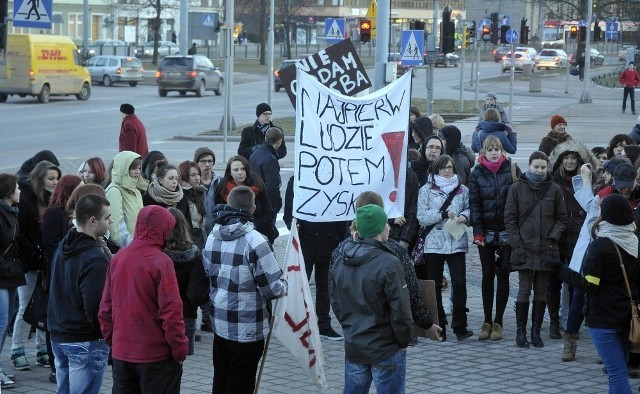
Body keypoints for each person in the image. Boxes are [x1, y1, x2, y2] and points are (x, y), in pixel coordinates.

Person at [548, 194, 639, 394]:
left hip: (603, 319)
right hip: (627, 318)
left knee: (616, 374)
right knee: (618, 373)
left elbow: (589, 285)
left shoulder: (600, 246)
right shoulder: (634, 242)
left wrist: (561, 270)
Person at [202, 186, 287, 393]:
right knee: (242, 383)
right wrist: (285, 284)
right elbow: (272, 288)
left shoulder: (213, 236)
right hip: (248, 327)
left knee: (220, 379)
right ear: (254, 208)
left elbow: (207, 275)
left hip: (220, 322)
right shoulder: (256, 241)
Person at [99, 205, 187, 393]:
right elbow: (171, 313)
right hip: (156, 357)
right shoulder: (161, 262)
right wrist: (179, 348)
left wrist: (113, 342)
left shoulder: (118, 258)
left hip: (122, 353)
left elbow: (105, 308)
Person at [329, 204, 414, 393]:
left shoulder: (340, 258)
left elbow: (336, 301)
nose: (389, 227)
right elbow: (400, 309)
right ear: (378, 229)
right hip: (385, 347)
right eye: (386, 224)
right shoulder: (389, 262)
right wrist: (403, 340)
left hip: (355, 344)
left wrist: (350, 328)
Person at [560, 162, 636, 362]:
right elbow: (593, 224)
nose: (625, 190)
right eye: (622, 185)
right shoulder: (602, 196)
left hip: (630, 251)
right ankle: (570, 338)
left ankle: (614, 346)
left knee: (622, 297)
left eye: (629, 185)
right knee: (580, 294)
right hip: (601, 250)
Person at [48, 194, 112, 394]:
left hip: (59, 334)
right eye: (107, 217)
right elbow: (95, 307)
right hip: (85, 339)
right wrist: (106, 334)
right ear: (93, 221)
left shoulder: (64, 245)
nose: (110, 222)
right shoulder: (95, 259)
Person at [504, 151, 567, 349]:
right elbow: (510, 219)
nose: (539, 171)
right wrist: (517, 244)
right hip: (524, 246)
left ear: (547, 167)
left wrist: (553, 237)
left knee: (541, 290)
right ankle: (521, 331)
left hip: (546, 247)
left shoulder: (554, 189)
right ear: (529, 165)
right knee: (524, 289)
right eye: (536, 167)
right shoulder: (516, 188)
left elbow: (561, 218)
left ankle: (536, 331)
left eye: (543, 167)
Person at [468, 136, 521, 341]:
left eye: (497, 148)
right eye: (489, 149)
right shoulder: (476, 173)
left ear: (502, 150)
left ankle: (498, 321)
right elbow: (475, 204)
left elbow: (521, 197)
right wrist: (478, 232)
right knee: (487, 274)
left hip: (507, 231)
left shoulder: (512, 169)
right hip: (486, 233)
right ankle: (487, 320)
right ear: (483, 152)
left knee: (504, 274)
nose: (493, 152)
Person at [417, 155, 473, 341]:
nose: (447, 171)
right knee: (435, 285)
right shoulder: (426, 189)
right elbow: (422, 216)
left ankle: (460, 325)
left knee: (460, 283)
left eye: (450, 167)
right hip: (434, 243)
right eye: (443, 168)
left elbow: (469, 208)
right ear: (436, 170)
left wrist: (465, 215)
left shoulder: (463, 189)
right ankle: (438, 325)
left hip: (456, 241)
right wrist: (441, 214)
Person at [283, 176, 346, 340]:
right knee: (300, 285)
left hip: (328, 240)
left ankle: (323, 324)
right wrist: (293, 224)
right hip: (306, 241)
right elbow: (289, 211)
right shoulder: (297, 180)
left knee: (324, 286)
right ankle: (298, 324)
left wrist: (340, 237)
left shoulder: (334, 180)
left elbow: (341, 210)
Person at [12, 160, 60, 371]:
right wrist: (34, 251)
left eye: (57, 179)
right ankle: (17, 350)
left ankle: (42, 349)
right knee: (26, 306)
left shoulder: (51, 200)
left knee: (44, 306)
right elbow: (19, 233)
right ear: (39, 178)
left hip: (46, 263)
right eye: (51, 178)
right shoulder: (26, 199)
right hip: (29, 263)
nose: (55, 182)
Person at [546, 141, 596, 340]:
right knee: (553, 281)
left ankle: (573, 322)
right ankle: (554, 322)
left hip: (578, 237)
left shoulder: (585, 182)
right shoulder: (551, 182)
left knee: (576, 281)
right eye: (566, 158)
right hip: (557, 236)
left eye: (573, 158)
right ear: (560, 160)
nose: (569, 161)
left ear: (579, 161)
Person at [164, 208, 208, 356]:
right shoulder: (193, 256)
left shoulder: (156, 254)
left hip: (158, 317)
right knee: (178, 363)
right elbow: (196, 295)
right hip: (186, 316)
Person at [0, 174, 26, 388]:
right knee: (0, 324)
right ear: (9, 192)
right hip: (2, 275)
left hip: (10, 275)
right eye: (17, 188)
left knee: (5, 321)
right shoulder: (2, 213)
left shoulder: (12, 211)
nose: (20, 191)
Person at [214, 156, 277, 244]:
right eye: (236, 170)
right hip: (232, 236)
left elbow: (269, 213)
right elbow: (219, 215)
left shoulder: (258, 185)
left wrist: (252, 227)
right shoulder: (223, 189)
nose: (240, 173)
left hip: (258, 234)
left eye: (243, 169)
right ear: (230, 172)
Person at [105, 151, 144, 249]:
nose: (137, 172)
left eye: (139, 168)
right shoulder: (114, 191)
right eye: (133, 168)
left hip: (137, 246)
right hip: (124, 250)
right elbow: (116, 231)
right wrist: (134, 248)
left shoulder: (136, 191)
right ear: (123, 169)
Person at [249, 127, 283, 213]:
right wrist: (277, 204)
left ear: (265, 138)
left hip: (254, 199)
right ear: (279, 141)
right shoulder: (271, 159)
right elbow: (272, 186)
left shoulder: (254, 154)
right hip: (267, 203)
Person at [177, 161, 207, 249]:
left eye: (198, 174)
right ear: (185, 176)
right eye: (193, 175)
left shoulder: (200, 192)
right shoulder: (180, 194)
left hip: (200, 234)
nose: (197, 178)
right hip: (187, 236)